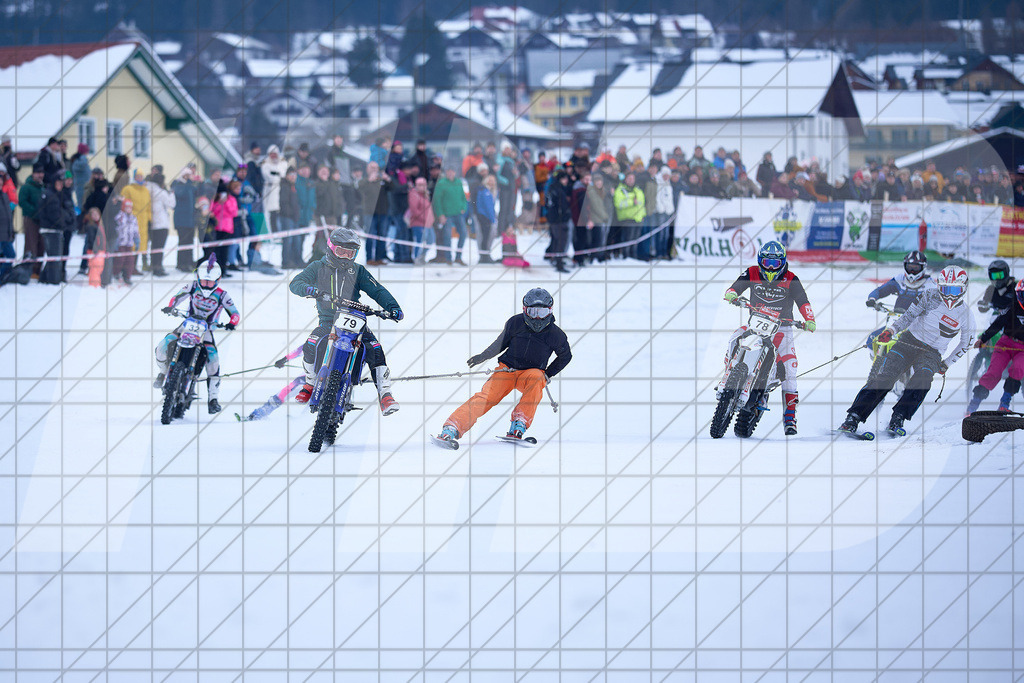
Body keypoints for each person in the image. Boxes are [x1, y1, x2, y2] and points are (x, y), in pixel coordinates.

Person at [838, 266, 975, 438]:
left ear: (963, 289)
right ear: (939, 287)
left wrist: (947, 363)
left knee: (923, 379)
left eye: (955, 290)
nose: (950, 295)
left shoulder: (966, 315)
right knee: (886, 377)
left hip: (932, 353)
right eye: (946, 289)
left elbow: (967, 342)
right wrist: (892, 330)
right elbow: (909, 316)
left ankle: (899, 417)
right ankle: (853, 417)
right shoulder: (929, 296)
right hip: (908, 342)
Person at [288, 227, 404, 415]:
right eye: (341, 251)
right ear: (330, 248)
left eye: (350, 253)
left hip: (355, 319)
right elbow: (296, 283)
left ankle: (385, 394)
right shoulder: (317, 267)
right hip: (328, 321)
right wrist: (309, 289)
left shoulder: (358, 270)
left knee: (375, 348)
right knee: (310, 344)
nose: (345, 257)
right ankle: (310, 383)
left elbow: (377, 290)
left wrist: (393, 307)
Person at [434, 288, 572, 446]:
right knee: (488, 397)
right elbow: (500, 344)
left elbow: (565, 356)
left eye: (542, 312)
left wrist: (548, 374)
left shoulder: (556, 334)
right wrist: (483, 356)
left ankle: (519, 425)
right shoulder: (515, 323)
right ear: (525, 310)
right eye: (533, 312)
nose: (537, 317)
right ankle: (452, 427)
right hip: (507, 369)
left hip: (531, 373)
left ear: (550, 311)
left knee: (536, 379)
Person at [722, 241, 816, 435]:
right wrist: (731, 294)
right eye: (767, 262)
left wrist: (809, 319)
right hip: (756, 323)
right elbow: (736, 287)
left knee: (790, 368)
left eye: (775, 264)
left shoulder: (791, 278)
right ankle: (729, 374)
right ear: (760, 261)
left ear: (783, 262)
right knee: (736, 337)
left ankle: (790, 417)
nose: (771, 268)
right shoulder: (752, 272)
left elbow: (803, 301)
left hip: (783, 327)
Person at [155, 256, 240, 415]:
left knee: (213, 359)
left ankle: (213, 399)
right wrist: (171, 307)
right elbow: (177, 297)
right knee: (162, 345)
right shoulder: (192, 286)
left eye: (210, 282)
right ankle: (162, 372)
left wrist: (232, 323)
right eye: (204, 281)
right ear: (198, 278)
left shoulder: (223, 295)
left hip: (206, 330)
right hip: (186, 325)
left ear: (218, 280)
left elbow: (235, 313)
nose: (206, 285)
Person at [967, 279, 1024, 413]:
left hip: (1022, 349)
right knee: (994, 372)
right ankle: (973, 406)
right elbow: (998, 323)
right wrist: (983, 338)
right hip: (1006, 343)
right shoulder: (1013, 306)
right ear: (1019, 295)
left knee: (1018, 369)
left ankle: (1004, 404)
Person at [864, 251, 934, 345]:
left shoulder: (930, 285)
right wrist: (872, 299)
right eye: (909, 267)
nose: (912, 271)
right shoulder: (900, 279)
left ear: (923, 268)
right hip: (895, 321)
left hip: (916, 326)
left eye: (915, 268)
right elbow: (881, 290)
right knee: (872, 340)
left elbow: (938, 305)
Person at [432, 166, 468, 265]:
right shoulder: (441, 183)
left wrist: (463, 207)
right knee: (447, 236)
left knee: (463, 233)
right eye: (449, 171)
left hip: (458, 213)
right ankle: (448, 258)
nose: (450, 173)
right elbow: (437, 200)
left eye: (452, 171)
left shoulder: (458, 182)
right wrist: (440, 214)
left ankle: (458, 257)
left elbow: (463, 197)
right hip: (447, 215)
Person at [120, 170, 152, 272]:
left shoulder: (145, 190)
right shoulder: (128, 189)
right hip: (132, 220)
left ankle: (139, 266)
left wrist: (149, 218)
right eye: (138, 176)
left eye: (141, 176)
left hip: (144, 221)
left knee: (142, 244)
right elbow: (123, 204)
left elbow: (149, 206)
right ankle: (129, 268)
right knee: (131, 244)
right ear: (134, 177)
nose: (140, 178)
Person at [18, 163, 46, 276]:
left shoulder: (43, 187)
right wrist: (34, 212)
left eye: (41, 173)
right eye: (38, 173)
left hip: (42, 221)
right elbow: (22, 202)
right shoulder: (26, 187)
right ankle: (28, 271)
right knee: (31, 244)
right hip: (30, 219)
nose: (40, 175)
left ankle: (37, 271)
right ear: (33, 174)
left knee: (41, 245)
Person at [147, 172, 174, 277]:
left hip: (152, 222)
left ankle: (153, 266)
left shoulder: (148, 189)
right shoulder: (161, 192)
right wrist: (171, 194)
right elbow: (171, 204)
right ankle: (158, 267)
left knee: (154, 246)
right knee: (159, 247)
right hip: (162, 223)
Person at [544, 170, 572, 272]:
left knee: (556, 240)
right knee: (561, 241)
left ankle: (556, 259)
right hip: (559, 220)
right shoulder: (558, 190)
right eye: (564, 178)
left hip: (553, 219)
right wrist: (566, 215)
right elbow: (562, 207)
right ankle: (559, 263)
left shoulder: (552, 189)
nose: (566, 180)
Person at [613, 172, 645, 260]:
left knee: (635, 239)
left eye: (632, 179)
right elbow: (618, 204)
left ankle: (633, 256)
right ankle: (626, 256)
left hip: (638, 218)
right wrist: (631, 202)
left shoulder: (638, 190)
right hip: (627, 218)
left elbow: (642, 204)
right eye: (629, 179)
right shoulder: (620, 190)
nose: (631, 181)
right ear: (625, 179)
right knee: (628, 239)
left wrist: (643, 215)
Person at [406, 176, 434, 265]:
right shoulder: (414, 194)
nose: (423, 187)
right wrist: (425, 219)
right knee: (420, 241)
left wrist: (431, 219)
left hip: (428, 224)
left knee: (430, 240)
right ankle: (417, 258)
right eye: (420, 185)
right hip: (418, 223)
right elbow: (414, 210)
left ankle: (422, 256)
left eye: (424, 185)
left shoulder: (426, 195)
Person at [112, 198, 140, 285]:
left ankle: (127, 276)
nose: (128, 209)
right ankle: (116, 273)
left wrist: (137, 239)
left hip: (129, 243)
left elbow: (135, 230)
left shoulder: (133, 218)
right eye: (127, 207)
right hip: (121, 243)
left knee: (130, 260)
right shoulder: (119, 217)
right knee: (120, 259)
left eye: (130, 208)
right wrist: (116, 240)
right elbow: (116, 229)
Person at [475, 174, 499, 264]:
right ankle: (484, 256)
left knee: (487, 237)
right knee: (485, 237)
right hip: (484, 217)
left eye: (493, 180)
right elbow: (487, 207)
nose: (492, 182)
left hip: (488, 217)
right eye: (490, 180)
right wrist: (492, 219)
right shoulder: (484, 191)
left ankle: (485, 255)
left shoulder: (491, 191)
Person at [0, 163, 14, 282]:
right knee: (10, 256)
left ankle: (2, 277)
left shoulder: (4, 196)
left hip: (6, 234)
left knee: (9, 256)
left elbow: (8, 215)